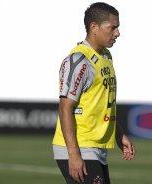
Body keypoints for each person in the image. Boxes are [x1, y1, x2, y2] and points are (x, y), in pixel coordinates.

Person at [52, 2, 135, 184]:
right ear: (94, 27)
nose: (117, 33)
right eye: (112, 27)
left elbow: (103, 104)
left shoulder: (106, 56)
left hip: (96, 148)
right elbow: (65, 108)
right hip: (80, 147)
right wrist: (73, 155)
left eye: (118, 27)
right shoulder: (79, 60)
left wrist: (119, 135)